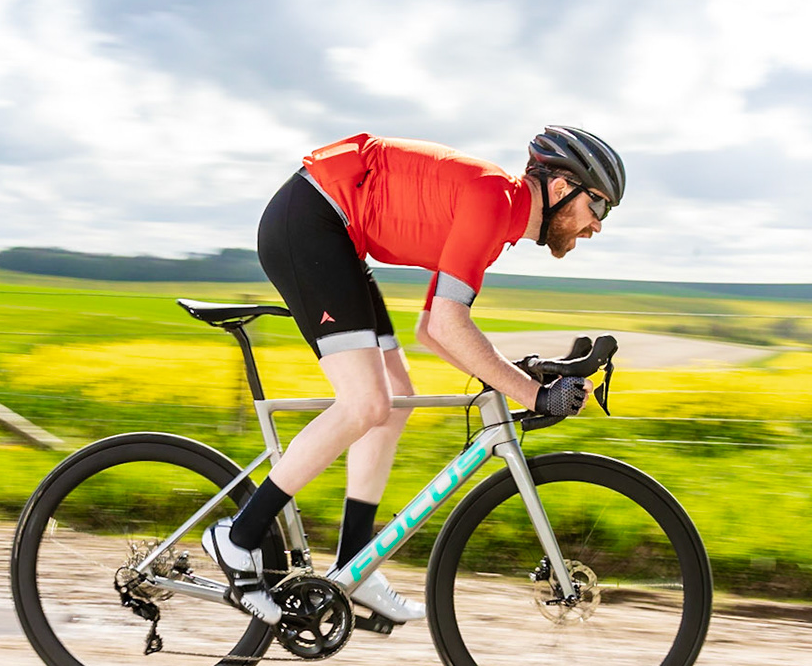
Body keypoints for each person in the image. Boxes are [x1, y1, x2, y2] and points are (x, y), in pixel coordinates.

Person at [202, 126, 626, 626]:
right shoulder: (493, 199)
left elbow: (431, 330)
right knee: (364, 403)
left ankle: (353, 565)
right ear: (561, 190)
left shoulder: (500, 217)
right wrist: (533, 393)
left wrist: (518, 374)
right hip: (313, 220)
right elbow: (448, 323)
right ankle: (238, 536)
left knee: (396, 397)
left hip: (336, 232)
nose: (597, 226)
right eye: (598, 208)